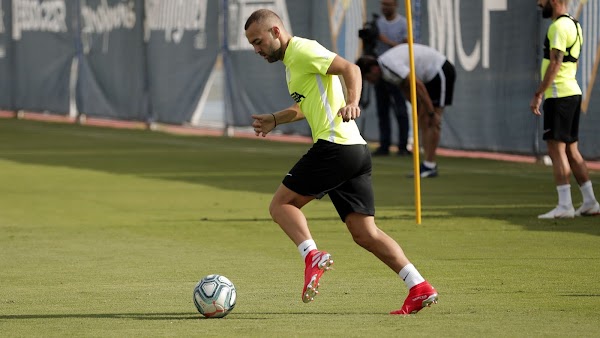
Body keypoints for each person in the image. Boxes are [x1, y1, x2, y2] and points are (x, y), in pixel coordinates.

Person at [244, 9, 437, 315]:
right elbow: (306, 107)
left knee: (281, 205)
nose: (256, 49)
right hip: (353, 151)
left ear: (276, 32)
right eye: (252, 44)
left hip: (334, 147)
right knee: (365, 233)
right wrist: (275, 120)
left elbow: (352, 69)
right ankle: (419, 286)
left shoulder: (303, 50)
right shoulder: (292, 63)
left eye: (258, 41)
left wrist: (353, 102)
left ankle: (312, 256)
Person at [530, 0, 600, 218]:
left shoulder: (558, 27)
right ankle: (589, 202)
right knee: (571, 149)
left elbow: (555, 63)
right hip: (571, 92)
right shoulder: (575, 25)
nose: (539, 4)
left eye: (542, 0)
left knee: (556, 149)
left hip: (559, 94)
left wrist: (539, 93)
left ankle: (565, 206)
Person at [356, 43, 456, 178]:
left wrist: (431, 112)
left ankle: (430, 165)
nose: (369, 81)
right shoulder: (385, 71)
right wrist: (419, 109)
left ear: (373, 69)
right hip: (428, 78)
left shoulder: (390, 65)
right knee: (424, 120)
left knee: (432, 121)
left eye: (367, 78)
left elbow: (417, 84)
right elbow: (405, 87)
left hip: (439, 72)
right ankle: (428, 164)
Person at [371, 0, 411, 156]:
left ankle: (403, 146)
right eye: (383, 4)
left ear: (396, 5)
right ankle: (384, 144)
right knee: (382, 110)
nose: (385, 8)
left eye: (388, 4)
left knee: (400, 109)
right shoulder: (377, 23)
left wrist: (384, 40)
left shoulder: (403, 23)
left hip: (396, 72)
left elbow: (406, 46)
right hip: (379, 72)